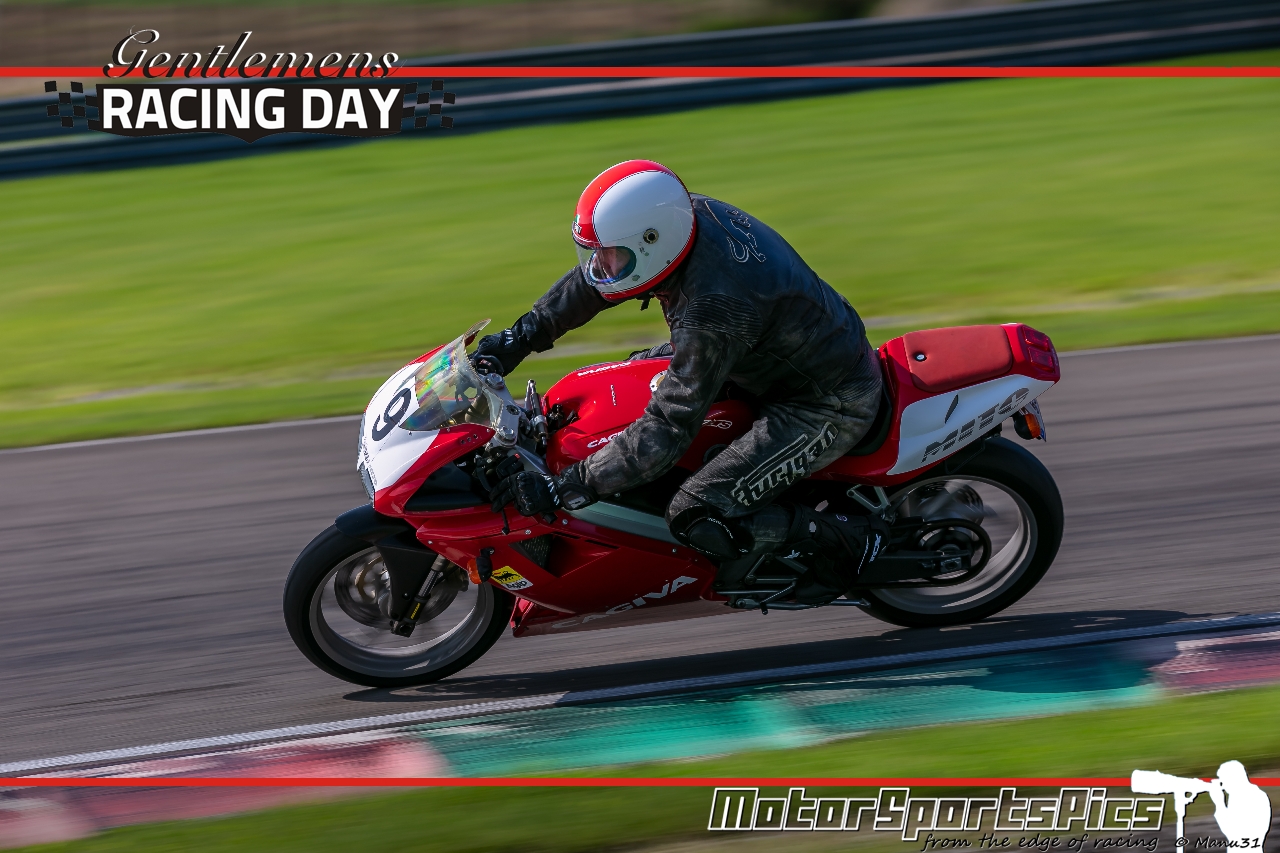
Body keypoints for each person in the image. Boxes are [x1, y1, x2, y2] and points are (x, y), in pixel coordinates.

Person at [481, 159, 888, 602]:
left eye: (611, 255)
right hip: (767, 356)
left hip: (824, 401)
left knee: (695, 511)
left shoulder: (709, 311)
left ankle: (848, 541)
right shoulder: (682, 216)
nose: (601, 265)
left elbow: (668, 428)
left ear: (651, 243)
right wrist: (517, 339)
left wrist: (567, 485)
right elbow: (596, 284)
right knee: (626, 378)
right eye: (598, 253)